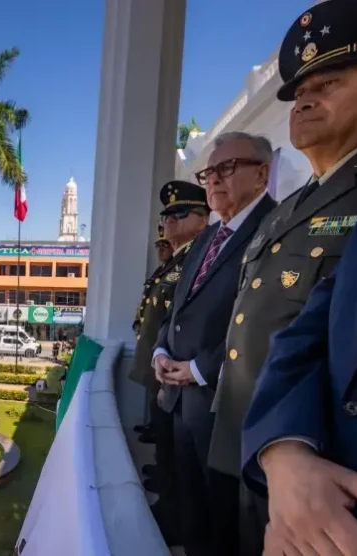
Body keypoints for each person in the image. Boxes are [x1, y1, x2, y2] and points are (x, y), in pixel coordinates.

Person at [207, 3, 357, 554]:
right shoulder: (289, 208)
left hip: (330, 469)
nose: (306, 100)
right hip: (255, 441)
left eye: (330, 82)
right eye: (299, 91)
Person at [152, 132, 277, 556]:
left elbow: (267, 317)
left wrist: (201, 368)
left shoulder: (276, 226)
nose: (215, 179)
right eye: (209, 172)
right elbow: (179, 307)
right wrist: (161, 350)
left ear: (262, 173)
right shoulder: (208, 237)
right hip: (183, 397)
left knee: (226, 521)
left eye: (228, 168)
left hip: (228, 401)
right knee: (194, 512)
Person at [128, 182, 209, 545]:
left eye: (179, 214)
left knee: (176, 455)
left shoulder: (198, 258)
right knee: (164, 444)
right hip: (159, 363)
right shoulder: (177, 259)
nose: (170, 222)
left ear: (204, 219)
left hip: (178, 375)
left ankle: (174, 516)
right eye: (167, 216)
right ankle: (167, 500)